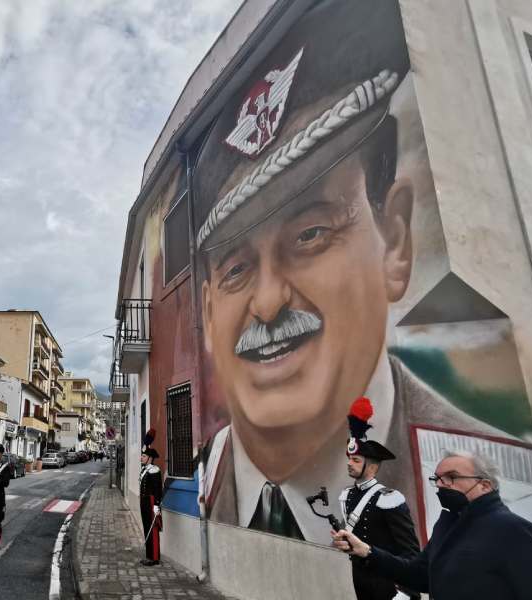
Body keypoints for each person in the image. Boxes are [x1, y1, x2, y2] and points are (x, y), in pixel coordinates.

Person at [194, 0, 511, 543]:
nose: (268, 303)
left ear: (395, 242)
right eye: (237, 268)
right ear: (205, 313)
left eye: (311, 234)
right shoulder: (208, 462)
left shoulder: (481, 475)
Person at [332, 450, 532, 599]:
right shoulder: (446, 527)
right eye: (437, 479)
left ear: (484, 486)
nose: (441, 484)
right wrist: (367, 551)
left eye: (452, 477)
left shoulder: (514, 531)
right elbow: (420, 576)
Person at [336, 398, 419, 600]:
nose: (350, 464)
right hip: (361, 579)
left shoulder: (389, 499)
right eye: (349, 459)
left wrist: (406, 592)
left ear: (372, 467)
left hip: (389, 583)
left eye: (356, 460)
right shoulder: (347, 496)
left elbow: (411, 552)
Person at [139, 439, 163, 567]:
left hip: (151, 503)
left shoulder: (154, 470)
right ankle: (149, 555)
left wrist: (156, 506)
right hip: (144, 504)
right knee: (147, 528)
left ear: (150, 458)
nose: (141, 458)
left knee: (152, 530)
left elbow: (158, 489)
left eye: (143, 456)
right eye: (142, 456)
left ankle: (154, 558)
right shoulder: (145, 470)